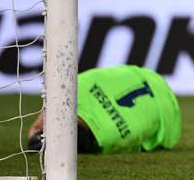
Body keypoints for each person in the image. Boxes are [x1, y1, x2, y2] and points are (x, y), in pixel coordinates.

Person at [28, 65, 181, 154]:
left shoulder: (107, 136)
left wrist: (35, 138)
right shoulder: (69, 89)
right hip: (153, 89)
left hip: (166, 111)